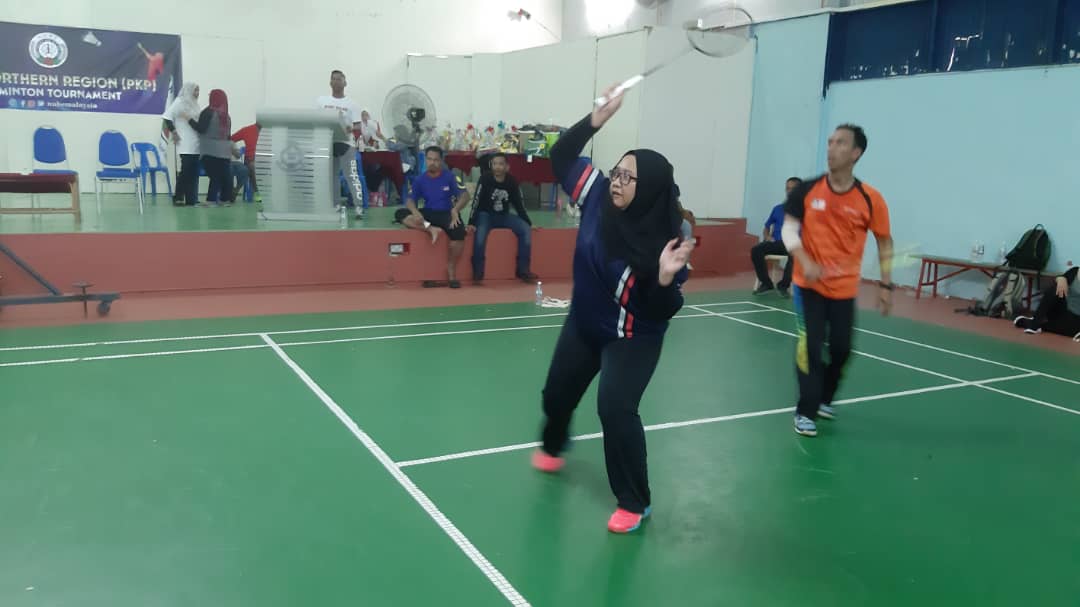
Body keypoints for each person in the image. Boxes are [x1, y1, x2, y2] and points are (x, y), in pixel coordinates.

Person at [531, 86, 694, 534]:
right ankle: (554, 441)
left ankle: (634, 501)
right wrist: (594, 121)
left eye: (628, 178)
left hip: (633, 335)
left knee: (616, 408)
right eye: (617, 172)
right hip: (585, 322)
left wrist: (664, 279)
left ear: (651, 189)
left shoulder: (669, 243)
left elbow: (662, 310)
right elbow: (560, 157)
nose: (617, 181)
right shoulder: (596, 196)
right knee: (555, 395)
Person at [782, 124, 894, 438]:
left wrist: (886, 284)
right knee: (810, 345)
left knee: (842, 349)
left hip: (843, 289)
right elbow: (789, 229)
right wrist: (805, 260)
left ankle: (825, 397)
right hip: (808, 286)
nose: (831, 147)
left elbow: (884, 242)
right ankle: (805, 410)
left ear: (856, 153)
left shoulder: (870, 199)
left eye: (840, 143)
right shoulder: (807, 190)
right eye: (830, 141)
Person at [403, 146, 469, 288]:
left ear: (441, 161)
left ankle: (451, 268)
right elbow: (409, 200)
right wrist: (415, 211)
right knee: (402, 214)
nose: (432, 163)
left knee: (458, 232)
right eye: (429, 159)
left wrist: (456, 209)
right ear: (425, 160)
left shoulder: (450, 177)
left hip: (446, 213)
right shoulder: (420, 179)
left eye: (436, 160)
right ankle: (430, 229)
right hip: (428, 213)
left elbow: (465, 196)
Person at [468, 153, 538, 283]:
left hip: (504, 215)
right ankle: (478, 271)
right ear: (491, 165)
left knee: (525, 230)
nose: (497, 167)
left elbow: (518, 204)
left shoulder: (512, 181)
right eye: (495, 164)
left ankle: (523, 270)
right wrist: (471, 222)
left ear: (507, 167)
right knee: (480, 237)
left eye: (501, 164)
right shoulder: (485, 179)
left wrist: (528, 222)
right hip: (485, 215)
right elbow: (476, 201)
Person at [316, 70, 363, 217]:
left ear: (345, 83)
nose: (336, 82)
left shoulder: (352, 104)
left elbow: (358, 125)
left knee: (352, 176)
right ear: (330, 82)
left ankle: (358, 206)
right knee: (332, 177)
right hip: (328, 143)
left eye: (339, 79)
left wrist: (350, 128)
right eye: (334, 79)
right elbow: (317, 119)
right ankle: (335, 205)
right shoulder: (321, 101)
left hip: (346, 144)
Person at [751, 177, 801, 297]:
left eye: (792, 189)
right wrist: (767, 236)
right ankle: (766, 283)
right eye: (787, 188)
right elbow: (767, 227)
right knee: (756, 250)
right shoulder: (778, 208)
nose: (789, 191)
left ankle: (783, 286)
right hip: (777, 243)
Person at [188, 89, 234, 206]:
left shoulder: (207, 112)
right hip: (224, 152)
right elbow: (228, 135)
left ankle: (211, 200)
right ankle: (224, 200)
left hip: (209, 151)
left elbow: (201, 129)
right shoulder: (226, 116)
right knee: (225, 176)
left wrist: (189, 120)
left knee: (215, 176)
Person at [1014, 267, 1080, 339]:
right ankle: (1035, 322)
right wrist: (1061, 279)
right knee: (1056, 288)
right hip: (1062, 310)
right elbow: (1062, 277)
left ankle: (1030, 323)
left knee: (1069, 330)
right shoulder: (1074, 271)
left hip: (1075, 319)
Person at [161, 82, 200, 206]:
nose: (197, 93)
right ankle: (178, 197)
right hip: (184, 143)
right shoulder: (179, 102)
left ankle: (191, 199)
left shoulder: (195, 104)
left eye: (198, 90)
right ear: (189, 90)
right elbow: (167, 117)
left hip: (196, 143)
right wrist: (174, 132)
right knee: (185, 171)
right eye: (195, 90)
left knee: (193, 172)